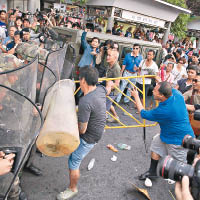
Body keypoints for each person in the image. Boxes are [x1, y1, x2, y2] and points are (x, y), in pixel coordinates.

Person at [57, 66, 106, 200]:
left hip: (89, 137)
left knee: (74, 161)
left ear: (83, 81)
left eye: (79, 79)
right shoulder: (100, 89)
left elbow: (82, 130)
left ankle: (72, 188)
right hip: (98, 131)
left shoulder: (86, 101)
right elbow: (109, 89)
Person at [130, 81, 194, 182]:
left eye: (155, 90)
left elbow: (143, 113)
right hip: (167, 134)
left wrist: (136, 96)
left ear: (161, 95)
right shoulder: (176, 94)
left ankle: (186, 188)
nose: (153, 91)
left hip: (178, 140)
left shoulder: (165, 110)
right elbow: (167, 85)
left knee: (180, 168)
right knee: (156, 145)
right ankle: (152, 172)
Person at [105, 48, 121, 123]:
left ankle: (101, 125)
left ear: (115, 58)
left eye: (109, 55)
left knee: (104, 108)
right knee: (108, 103)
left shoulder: (117, 68)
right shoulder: (109, 65)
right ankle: (116, 117)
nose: (107, 57)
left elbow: (117, 84)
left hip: (113, 92)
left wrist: (108, 88)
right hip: (109, 90)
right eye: (107, 55)